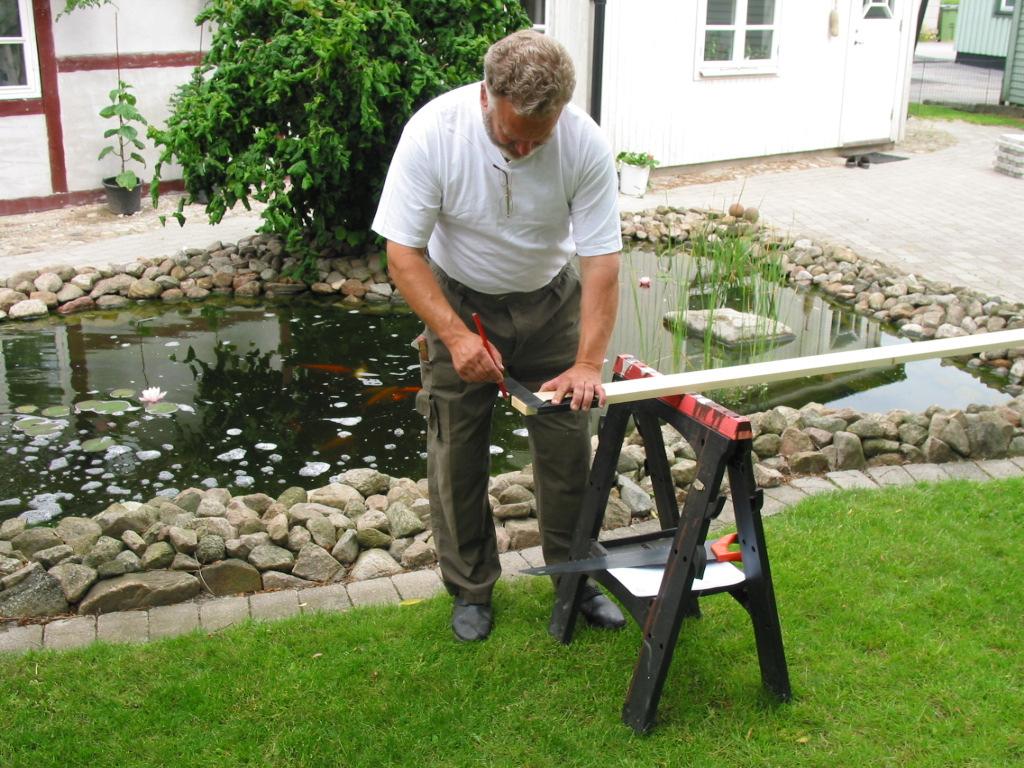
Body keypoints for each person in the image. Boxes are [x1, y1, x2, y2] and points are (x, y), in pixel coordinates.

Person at [372, 29, 624, 642]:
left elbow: (602, 263)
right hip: (458, 299)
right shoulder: (434, 132)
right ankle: (471, 588)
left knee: (567, 449)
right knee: (457, 451)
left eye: (536, 140)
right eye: (511, 135)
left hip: (550, 303)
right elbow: (402, 254)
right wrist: (456, 339)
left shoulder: (583, 144)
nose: (521, 148)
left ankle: (574, 577)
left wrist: (589, 364)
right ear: (487, 95)